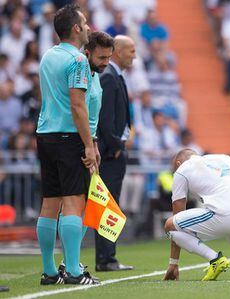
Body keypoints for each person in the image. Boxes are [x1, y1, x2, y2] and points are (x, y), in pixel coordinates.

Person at [35, 4, 99, 285]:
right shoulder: (78, 60)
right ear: (76, 28)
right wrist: (88, 144)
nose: (88, 27)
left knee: (49, 204)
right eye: (84, 23)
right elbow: (77, 104)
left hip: (45, 134)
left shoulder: (48, 55)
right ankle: (73, 270)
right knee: (74, 202)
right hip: (68, 136)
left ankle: (49, 271)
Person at [57, 31, 114, 277]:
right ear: (87, 53)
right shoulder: (79, 72)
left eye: (109, 57)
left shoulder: (96, 75)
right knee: (77, 205)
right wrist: (88, 146)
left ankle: (69, 261)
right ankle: (69, 265)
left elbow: (92, 116)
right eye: (102, 57)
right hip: (78, 144)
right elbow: (78, 110)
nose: (106, 63)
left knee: (88, 206)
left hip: (89, 143)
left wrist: (95, 143)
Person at [163, 149, 230, 281]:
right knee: (229, 215)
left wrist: (174, 263)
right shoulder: (222, 158)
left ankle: (215, 259)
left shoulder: (182, 170)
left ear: (178, 163)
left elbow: (177, 218)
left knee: (170, 225)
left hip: (227, 215)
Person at [95, 35, 135, 272]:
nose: (134, 56)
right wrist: (116, 147)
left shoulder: (113, 76)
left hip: (113, 152)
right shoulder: (109, 78)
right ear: (117, 52)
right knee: (108, 206)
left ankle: (108, 256)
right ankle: (106, 258)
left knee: (111, 206)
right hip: (111, 155)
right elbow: (105, 120)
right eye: (131, 51)